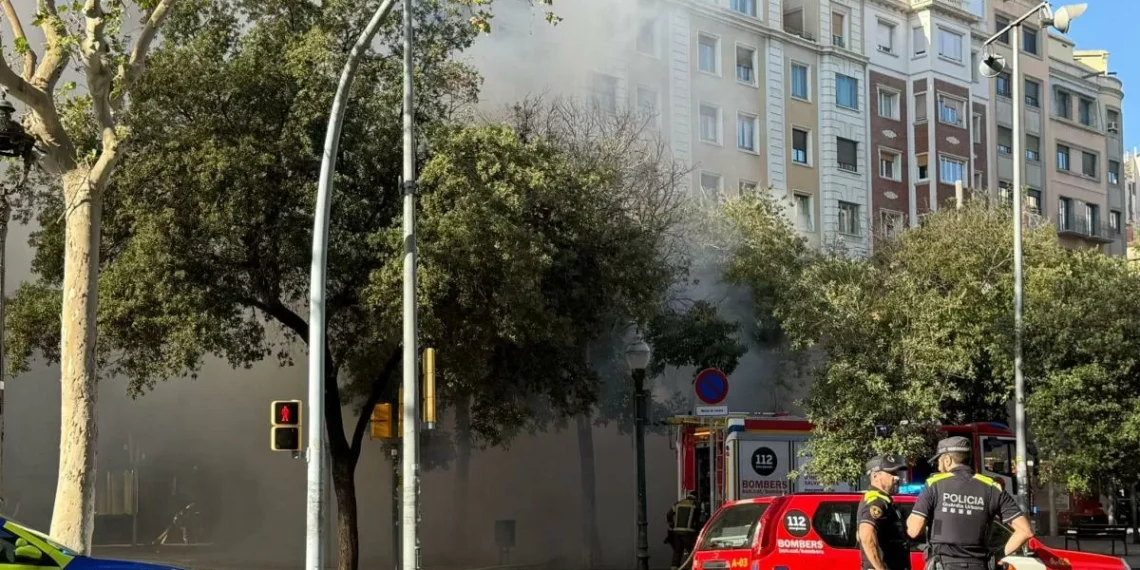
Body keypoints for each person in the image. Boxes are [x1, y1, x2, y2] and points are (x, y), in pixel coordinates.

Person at [906, 436, 1034, 570]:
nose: (938, 465)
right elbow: (1025, 531)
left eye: (939, 460)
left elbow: (914, 530)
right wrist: (998, 555)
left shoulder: (934, 485)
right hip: (979, 565)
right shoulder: (992, 488)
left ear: (947, 460)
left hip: (943, 564)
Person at [858, 455, 910, 570]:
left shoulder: (885, 500)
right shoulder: (877, 501)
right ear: (876, 476)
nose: (897, 478)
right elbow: (866, 535)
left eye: (896, 473)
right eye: (891, 473)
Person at [665, 491, 701, 570]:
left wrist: (672, 524)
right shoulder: (696, 505)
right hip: (689, 533)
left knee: (677, 553)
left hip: (676, 533)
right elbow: (698, 520)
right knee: (692, 553)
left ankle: (674, 568)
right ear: (696, 497)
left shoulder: (678, 503)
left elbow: (668, 514)